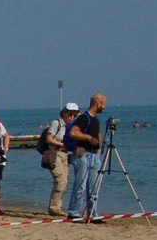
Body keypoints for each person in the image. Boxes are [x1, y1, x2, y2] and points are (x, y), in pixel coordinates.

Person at [64, 92, 108, 221]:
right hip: (83, 155)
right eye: (103, 105)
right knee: (80, 185)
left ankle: (92, 213)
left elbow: (97, 133)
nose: (104, 107)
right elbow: (73, 132)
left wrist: (99, 147)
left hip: (94, 156)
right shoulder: (84, 118)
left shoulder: (96, 119)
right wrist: (88, 138)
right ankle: (74, 212)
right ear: (98, 104)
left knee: (94, 186)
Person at [41, 103, 79, 215]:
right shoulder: (57, 123)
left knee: (64, 181)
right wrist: (62, 144)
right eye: (70, 114)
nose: (72, 117)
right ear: (65, 113)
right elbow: (49, 139)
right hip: (55, 153)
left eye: (74, 115)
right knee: (60, 180)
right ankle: (54, 207)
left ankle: (57, 206)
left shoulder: (71, 126)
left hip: (65, 155)